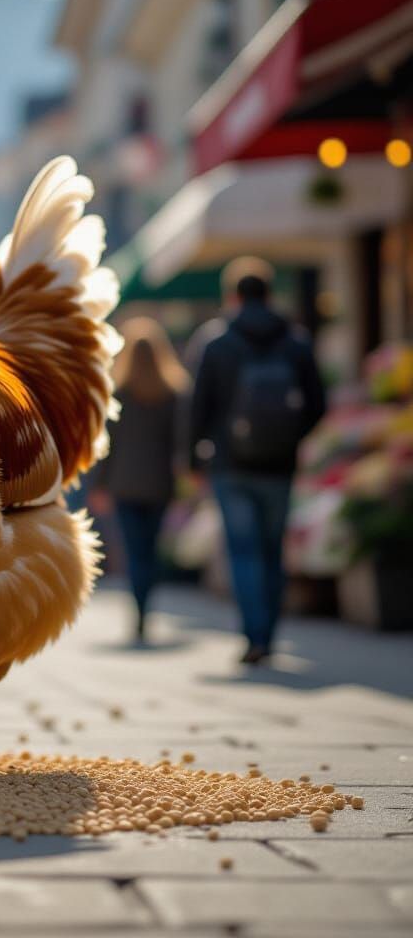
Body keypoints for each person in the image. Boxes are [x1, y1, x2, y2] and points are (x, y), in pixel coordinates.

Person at [190, 258, 326, 665]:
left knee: (244, 551)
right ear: (269, 294)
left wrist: (196, 457)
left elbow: (199, 409)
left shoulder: (216, 343)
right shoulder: (296, 341)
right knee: (272, 550)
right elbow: (319, 404)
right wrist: (291, 437)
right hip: (280, 465)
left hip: (231, 466)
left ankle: (254, 635)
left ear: (233, 296)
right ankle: (269, 633)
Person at [93, 318, 189, 642]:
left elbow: (108, 446)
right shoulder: (173, 393)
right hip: (159, 483)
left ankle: (139, 612)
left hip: (124, 483)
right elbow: (181, 442)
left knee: (134, 551)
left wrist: (101, 486)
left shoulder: (119, 393)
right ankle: (147, 603)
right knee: (150, 548)